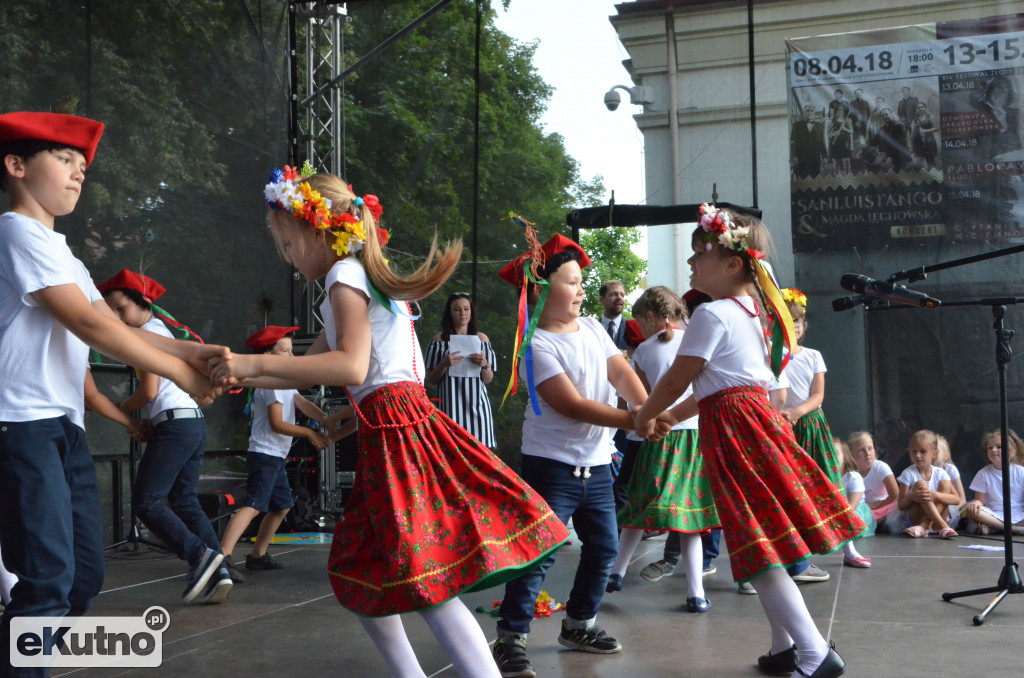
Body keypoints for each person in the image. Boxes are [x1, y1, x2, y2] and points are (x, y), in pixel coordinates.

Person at [209, 166, 567, 678]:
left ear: (317, 230)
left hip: (396, 431)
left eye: (289, 245)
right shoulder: (361, 278)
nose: (289, 259)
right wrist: (232, 374)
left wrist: (252, 364)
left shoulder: (343, 275)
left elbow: (351, 367)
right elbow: (312, 364)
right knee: (360, 567)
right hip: (400, 426)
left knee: (424, 575)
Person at [0, 111, 222, 678]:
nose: (78, 174)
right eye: (65, 160)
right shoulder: (15, 230)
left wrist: (197, 355)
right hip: (20, 424)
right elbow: (94, 328)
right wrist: (189, 377)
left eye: (82, 167)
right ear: (17, 165)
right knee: (47, 581)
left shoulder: (65, 253)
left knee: (81, 578)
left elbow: (121, 330)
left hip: (62, 428)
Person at [633, 203, 863, 678]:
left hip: (737, 434)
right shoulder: (755, 315)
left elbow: (680, 380)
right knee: (762, 541)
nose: (693, 264)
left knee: (756, 546)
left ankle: (815, 653)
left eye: (701, 255)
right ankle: (784, 646)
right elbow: (714, 388)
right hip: (752, 424)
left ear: (733, 263)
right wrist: (668, 416)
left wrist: (646, 415)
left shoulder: (712, 314)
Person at [491, 232, 647, 678]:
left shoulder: (595, 328)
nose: (582, 289)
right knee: (540, 553)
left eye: (582, 281)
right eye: (572, 281)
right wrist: (634, 422)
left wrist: (644, 408)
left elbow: (620, 370)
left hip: (597, 464)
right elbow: (573, 404)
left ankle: (579, 624)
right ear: (540, 291)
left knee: (603, 548)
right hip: (551, 467)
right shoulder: (536, 347)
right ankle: (510, 638)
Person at [98, 268, 233, 604]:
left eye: (120, 308)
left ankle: (199, 556)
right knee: (184, 500)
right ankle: (220, 570)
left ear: (143, 304)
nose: (116, 316)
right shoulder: (159, 329)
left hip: (175, 426)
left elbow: (149, 389)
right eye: (110, 310)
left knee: (147, 502)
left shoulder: (146, 334)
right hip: (192, 425)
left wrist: (124, 410)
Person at [606, 286, 718, 613]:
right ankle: (696, 593)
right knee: (691, 519)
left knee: (638, 508)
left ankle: (616, 573)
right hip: (693, 439)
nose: (638, 328)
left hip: (657, 436)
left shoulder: (642, 352)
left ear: (654, 317)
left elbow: (638, 400)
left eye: (640, 321)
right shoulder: (696, 343)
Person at [217, 326, 352, 583]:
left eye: (292, 352)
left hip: (275, 455)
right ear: (268, 356)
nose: (291, 359)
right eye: (285, 352)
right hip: (265, 454)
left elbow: (301, 402)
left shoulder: (284, 383)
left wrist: (324, 418)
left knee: (282, 506)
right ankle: (221, 556)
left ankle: (258, 554)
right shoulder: (272, 384)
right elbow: (278, 423)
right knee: (255, 505)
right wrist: (310, 433)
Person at [424, 292, 497, 447]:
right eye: (457, 309)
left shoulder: (482, 339)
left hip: (479, 408)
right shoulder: (438, 341)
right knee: (451, 455)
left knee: (480, 459)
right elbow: (432, 380)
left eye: (466, 309)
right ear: (449, 313)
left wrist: (485, 365)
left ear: (471, 312)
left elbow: (489, 379)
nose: (462, 313)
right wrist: (444, 363)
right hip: (450, 409)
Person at [889, 430, 960, 538]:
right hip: (916, 520)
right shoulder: (908, 473)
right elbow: (901, 505)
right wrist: (912, 497)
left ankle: (926, 526)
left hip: (937, 522)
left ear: (934, 453)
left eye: (923, 452)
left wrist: (934, 495)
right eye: (914, 451)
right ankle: (942, 526)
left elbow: (956, 499)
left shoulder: (941, 473)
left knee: (945, 487)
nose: (917, 455)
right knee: (921, 485)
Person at [964, 429, 1024, 536]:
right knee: (970, 510)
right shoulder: (983, 473)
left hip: (1019, 514)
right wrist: (976, 504)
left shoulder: (1020, 471)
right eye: (990, 447)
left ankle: (994, 527)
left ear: (1011, 453)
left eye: (999, 447)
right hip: (993, 514)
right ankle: (1014, 529)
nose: (993, 450)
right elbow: (980, 501)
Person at [848, 431, 898, 530]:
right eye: (861, 450)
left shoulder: (881, 467)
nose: (868, 453)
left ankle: (875, 523)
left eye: (870, 448)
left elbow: (895, 494)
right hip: (862, 509)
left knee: (897, 505)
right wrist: (868, 507)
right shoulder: (850, 473)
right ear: (851, 454)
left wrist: (878, 508)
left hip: (883, 506)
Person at [837, 439, 874, 568]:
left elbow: (852, 506)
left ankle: (849, 552)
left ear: (845, 458)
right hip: (836, 514)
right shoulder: (822, 478)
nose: (829, 458)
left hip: (855, 514)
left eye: (835, 454)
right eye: (826, 455)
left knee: (844, 515)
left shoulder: (852, 477)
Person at [935, 434, 966, 531]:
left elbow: (962, 499)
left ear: (946, 455)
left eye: (936, 450)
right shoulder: (920, 470)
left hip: (948, 507)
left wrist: (952, 511)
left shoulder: (951, 470)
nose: (932, 453)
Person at [791, 105, 826, 177]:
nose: (809, 112)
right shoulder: (796, 125)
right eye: (807, 111)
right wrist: (794, 156)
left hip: (815, 158)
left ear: (814, 113)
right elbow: (793, 142)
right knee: (802, 181)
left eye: (812, 111)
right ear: (804, 113)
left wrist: (824, 156)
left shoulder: (820, 126)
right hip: (801, 159)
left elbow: (822, 142)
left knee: (814, 181)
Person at [598, 279, 628, 350]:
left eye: (622, 295)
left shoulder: (634, 329)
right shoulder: (591, 329)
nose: (619, 298)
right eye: (613, 294)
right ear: (601, 300)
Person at [910, 101, 938, 169]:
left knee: (930, 163)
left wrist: (925, 131)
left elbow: (936, 128)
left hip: (929, 142)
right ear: (916, 110)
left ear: (925, 108)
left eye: (922, 107)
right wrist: (911, 145)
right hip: (918, 144)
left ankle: (932, 178)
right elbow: (912, 134)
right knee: (917, 163)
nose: (920, 108)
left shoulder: (930, 117)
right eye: (918, 107)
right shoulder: (914, 121)